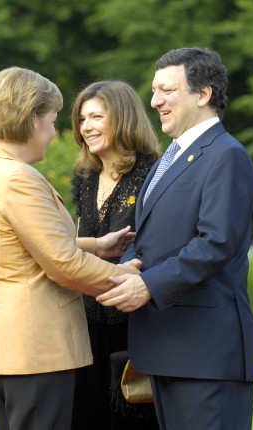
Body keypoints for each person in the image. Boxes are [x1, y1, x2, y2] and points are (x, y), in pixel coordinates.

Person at [0, 67, 141, 430]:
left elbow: (16, 242)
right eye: (52, 120)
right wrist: (124, 277)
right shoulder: (18, 179)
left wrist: (95, 245)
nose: (54, 132)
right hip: (34, 348)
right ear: (31, 119)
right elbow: (63, 264)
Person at [97, 48, 253, 430]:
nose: (154, 101)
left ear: (203, 94)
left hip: (205, 354)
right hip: (167, 348)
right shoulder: (169, 156)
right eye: (154, 91)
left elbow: (216, 242)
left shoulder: (226, 155)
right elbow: (147, 233)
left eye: (166, 90)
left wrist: (148, 286)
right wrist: (129, 268)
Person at [70, 80, 160, 430]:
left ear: (122, 118)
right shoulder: (86, 176)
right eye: (81, 119)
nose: (86, 127)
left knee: (132, 416)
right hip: (86, 320)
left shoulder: (152, 172)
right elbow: (80, 239)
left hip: (133, 319)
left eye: (96, 117)